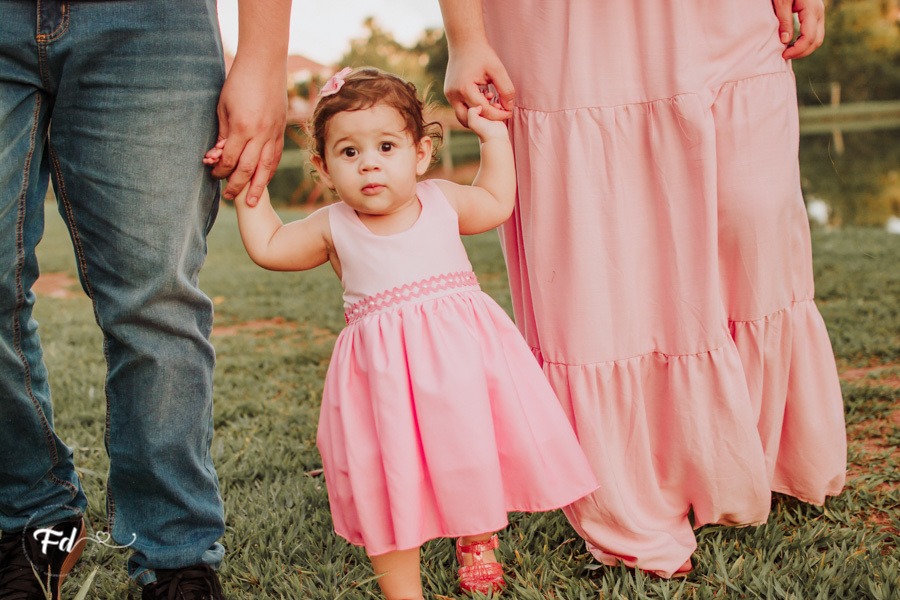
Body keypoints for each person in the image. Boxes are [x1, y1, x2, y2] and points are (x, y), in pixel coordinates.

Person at [437, 0, 847, 579]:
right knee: (600, 244)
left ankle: (756, 450)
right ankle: (634, 490)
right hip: (560, 25)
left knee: (753, 214)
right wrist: (465, 36)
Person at [211, 66, 598, 599]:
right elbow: (272, 246)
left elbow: (495, 200)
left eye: (387, 146)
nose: (369, 162)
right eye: (349, 152)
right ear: (323, 167)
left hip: (461, 367)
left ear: (419, 153)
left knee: (469, 453)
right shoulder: (332, 224)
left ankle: (477, 539)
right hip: (383, 382)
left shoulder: (441, 200)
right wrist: (252, 193)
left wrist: (492, 137)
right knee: (390, 479)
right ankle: (403, 590)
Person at [0, 1, 291, 599]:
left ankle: (174, 552)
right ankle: (34, 516)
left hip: (153, 20)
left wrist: (263, 58)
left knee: (155, 297)